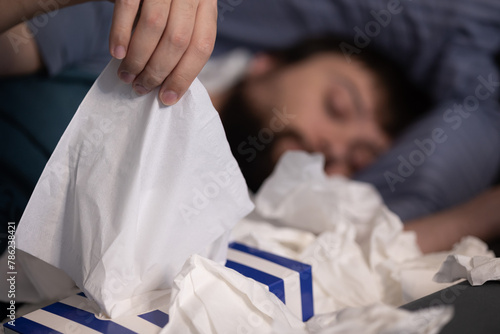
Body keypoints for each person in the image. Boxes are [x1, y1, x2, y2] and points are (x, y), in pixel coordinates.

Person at [1, 0, 500, 254]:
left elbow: (375, 257)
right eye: (337, 107)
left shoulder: (258, 223)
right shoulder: (136, 35)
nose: (335, 145)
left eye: (356, 159)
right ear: (268, 62)